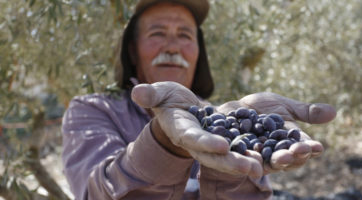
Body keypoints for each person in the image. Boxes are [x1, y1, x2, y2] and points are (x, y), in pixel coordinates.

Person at [61, 0, 336, 199]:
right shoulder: (91, 111)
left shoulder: (225, 120)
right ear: (132, 52)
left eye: (185, 35)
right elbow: (97, 192)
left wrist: (230, 171)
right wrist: (165, 142)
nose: (172, 46)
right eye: (157, 33)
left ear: (198, 53)